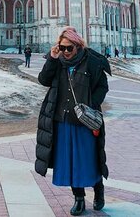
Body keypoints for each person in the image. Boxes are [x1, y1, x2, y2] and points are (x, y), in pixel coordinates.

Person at [35, 26, 111, 216]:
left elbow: (102, 86)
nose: (66, 52)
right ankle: (78, 199)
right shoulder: (58, 62)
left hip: (85, 123)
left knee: (88, 160)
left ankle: (98, 188)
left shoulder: (91, 62)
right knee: (69, 163)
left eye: (69, 48)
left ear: (78, 46)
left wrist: (90, 106)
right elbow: (43, 80)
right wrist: (52, 59)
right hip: (62, 120)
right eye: (62, 48)